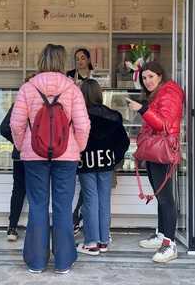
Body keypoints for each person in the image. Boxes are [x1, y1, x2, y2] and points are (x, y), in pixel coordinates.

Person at [10, 43, 90, 274]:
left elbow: (16, 124)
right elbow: (83, 125)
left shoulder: (28, 88)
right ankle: (63, 262)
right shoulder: (72, 89)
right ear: (62, 62)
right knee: (63, 206)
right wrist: (78, 148)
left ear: (41, 61)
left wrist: (22, 146)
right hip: (67, 157)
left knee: (37, 205)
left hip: (34, 156)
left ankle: (36, 262)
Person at [127, 61, 183, 263]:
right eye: (144, 78)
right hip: (154, 150)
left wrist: (142, 109)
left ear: (160, 75)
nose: (147, 81)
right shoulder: (160, 93)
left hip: (163, 150)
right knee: (160, 196)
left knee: (166, 199)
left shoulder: (170, 93)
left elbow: (165, 125)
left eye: (151, 76)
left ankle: (170, 244)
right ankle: (161, 235)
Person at [76, 79, 130, 255]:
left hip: (87, 162)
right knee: (104, 200)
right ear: (99, 94)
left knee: (90, 200)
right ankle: (103, 241)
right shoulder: (113, 116)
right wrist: (114, 158)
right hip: (106, 162)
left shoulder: (80, 116)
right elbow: (124, 142)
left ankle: (91, 242)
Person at [66, 47, 93, 234]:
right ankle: (77, 216)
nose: (80, 61)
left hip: (89, 126)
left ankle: (79, 216)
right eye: (77, 58)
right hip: (75, 126)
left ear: (88, 59)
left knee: (87, 179)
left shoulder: (96, 75)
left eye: (83, 58)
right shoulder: (68, 76)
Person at [0, 104, 26, 242]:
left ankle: (12, 227)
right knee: (38, 193)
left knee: (18, 191)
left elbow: (4, 128)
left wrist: (18, 142)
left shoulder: (19, 103)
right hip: (39, 156)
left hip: (20, 155)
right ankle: (37, 229)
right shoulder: (44, 102)